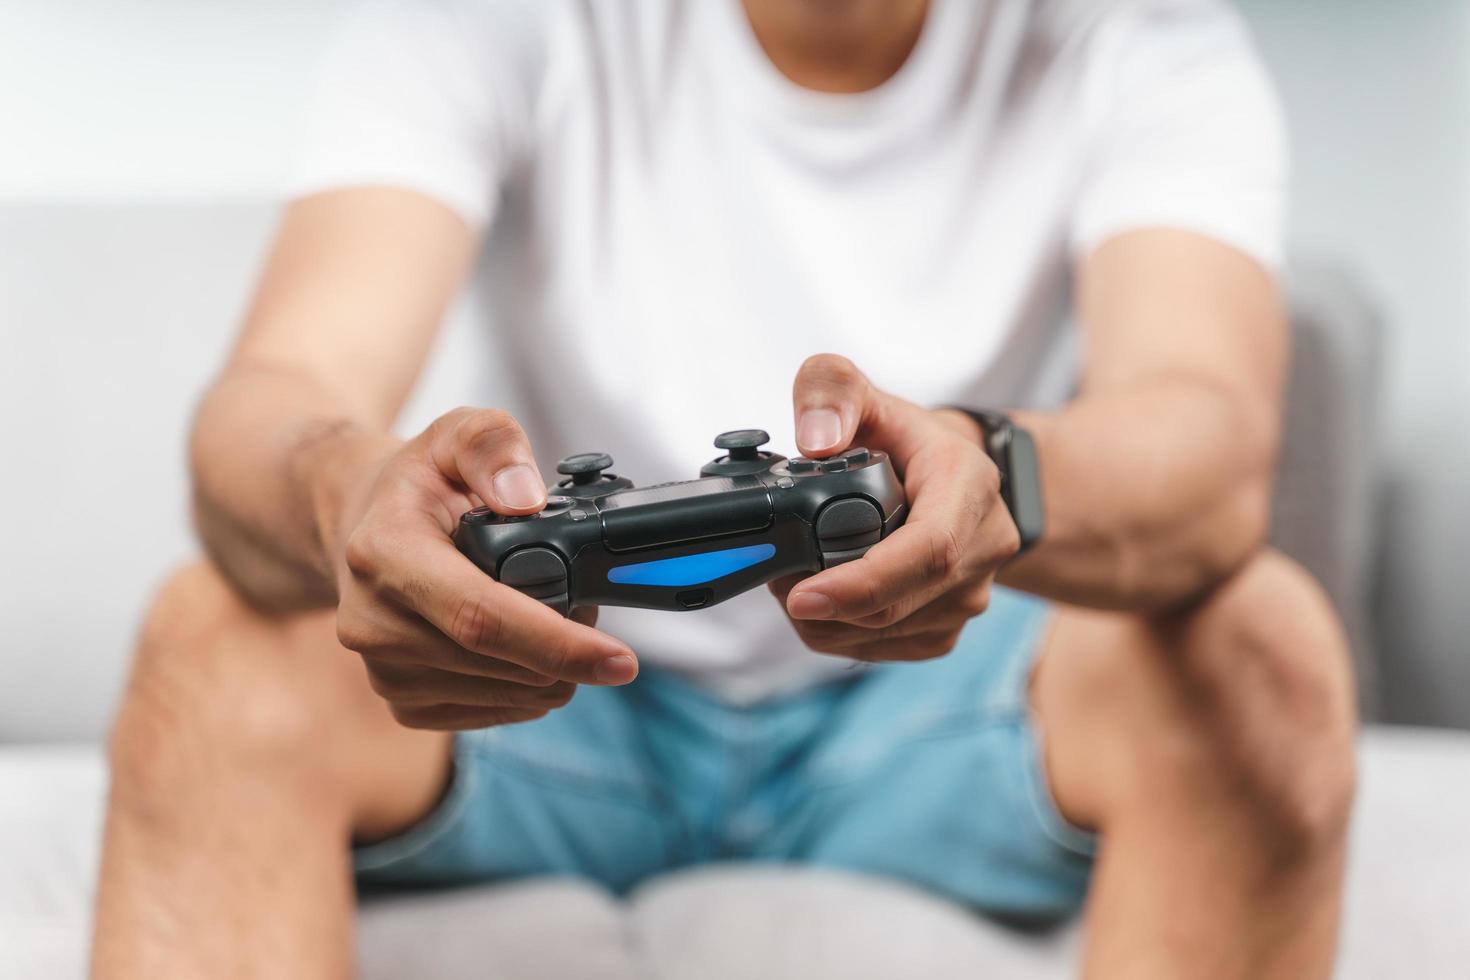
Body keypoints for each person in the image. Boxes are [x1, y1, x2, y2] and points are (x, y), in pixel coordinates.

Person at [90, 0, 1358, 977]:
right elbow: (272, 399)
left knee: (1265, 649)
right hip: (554, 694)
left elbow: (1210, 454)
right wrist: (351, 493)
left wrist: (983, 465)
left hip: (933, 707)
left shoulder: (1143, 40)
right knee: (212, 642)